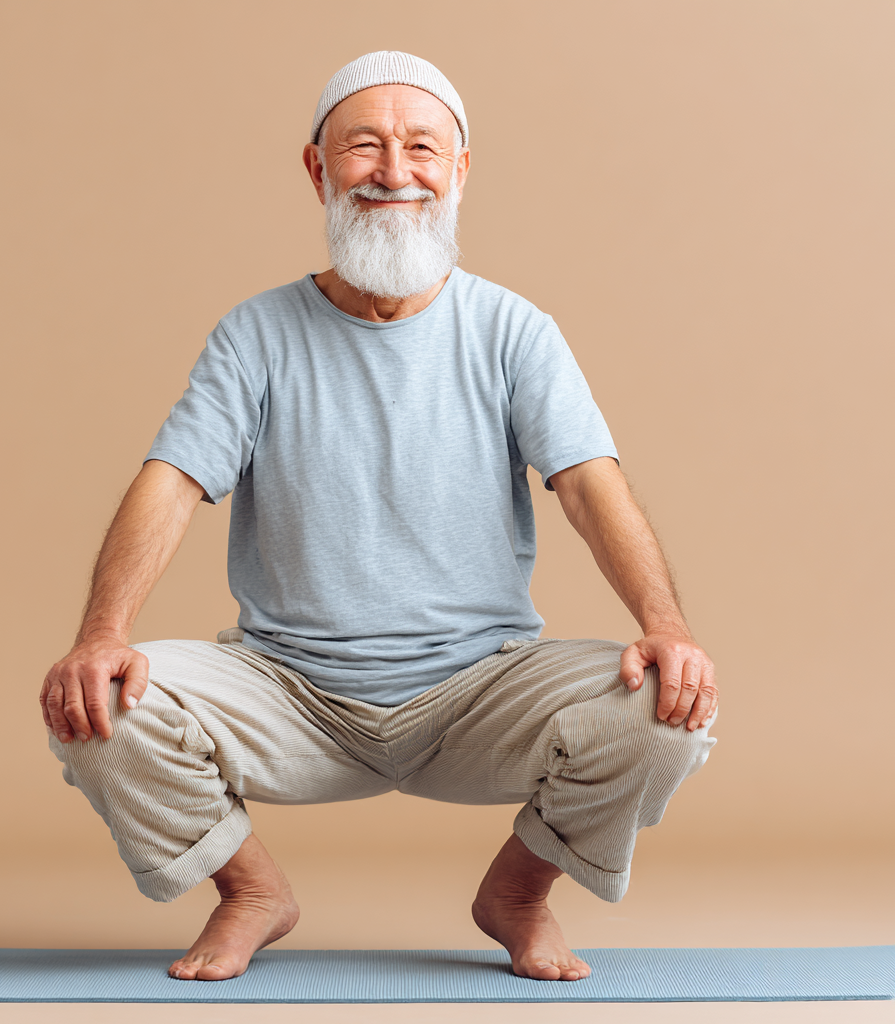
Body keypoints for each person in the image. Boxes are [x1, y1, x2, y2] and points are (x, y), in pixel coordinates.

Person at [40, 51, 718, 984]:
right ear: (319, 170)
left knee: (667, 709)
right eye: (364, 147)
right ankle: (250, 891)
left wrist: (666, 627)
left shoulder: (514, 330)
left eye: (421, 148)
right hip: (287, 690)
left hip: (482, 689)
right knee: (96, 708)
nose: (394, 172)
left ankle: (519, 895)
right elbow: (172, 480)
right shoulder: (256, 333)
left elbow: (590, 485)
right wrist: (100, 634)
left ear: (460, 170)